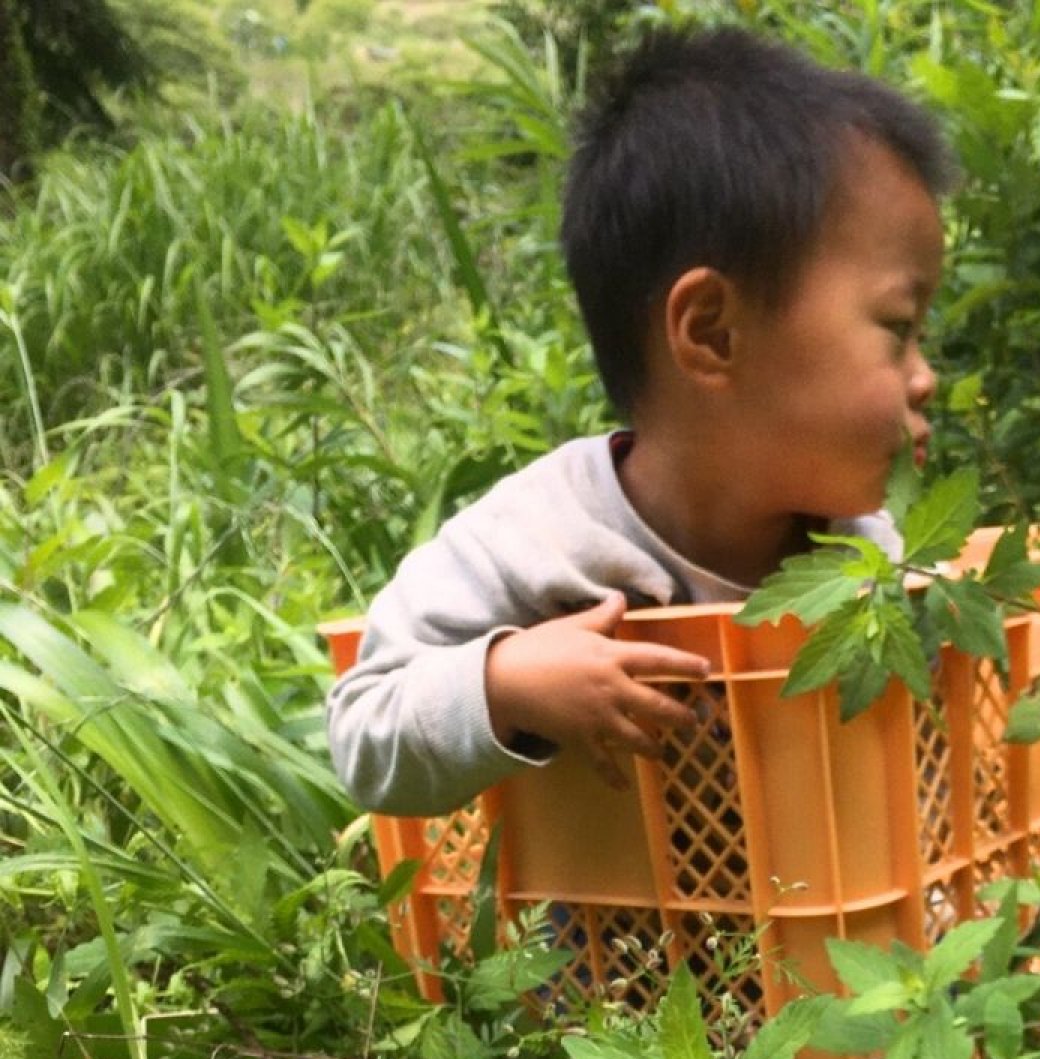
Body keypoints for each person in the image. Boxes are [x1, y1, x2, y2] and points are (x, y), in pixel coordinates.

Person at [327, 24, 951, 815]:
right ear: (713, 333)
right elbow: (361, 727)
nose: (925, 378)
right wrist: (506, 683)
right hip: (610, 937)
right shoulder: (539, 542)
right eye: (898, 328)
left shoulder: (865, 551)